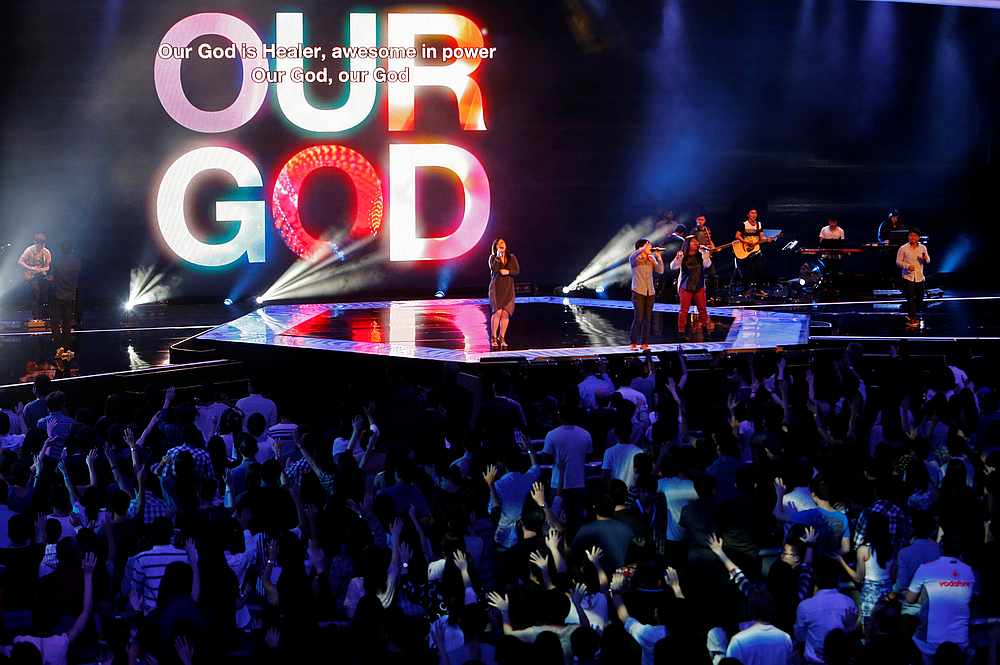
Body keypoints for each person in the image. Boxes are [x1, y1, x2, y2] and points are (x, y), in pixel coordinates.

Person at [905, 534, 975, 659]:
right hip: (960, 642)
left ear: (941, 547)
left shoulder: (925, 568)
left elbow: (909, 599)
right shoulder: (969, 571)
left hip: (930, 643)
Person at [793, 559, 858, 664]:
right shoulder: (848, 603)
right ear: (838, 578)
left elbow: (800, 637)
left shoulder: (805, 606)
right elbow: (851, 636)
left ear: (815, 579)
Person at [670, 236, 715, 337]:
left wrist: (705, 253)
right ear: (688, 244)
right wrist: (678, 259)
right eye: (693, 242)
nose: (696, 243)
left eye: (696, 241)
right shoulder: (682, 255)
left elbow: (707, 265)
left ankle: (705, 330)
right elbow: (673, 267)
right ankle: (681, 332)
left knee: (702, 309)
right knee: (683, 310)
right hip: (685, 286)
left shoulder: (701, 254)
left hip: (699, 286)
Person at [628, 239, 664, 350]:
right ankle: (633, 343)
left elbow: (660, 270)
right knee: (638, 318)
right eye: (649, 246)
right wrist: (643, 249)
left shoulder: (651, 258)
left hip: (650, 292)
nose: (651, 248)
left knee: (647, 319)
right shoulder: (635, 259)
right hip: (638, 291)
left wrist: (658, 257)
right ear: (641, 247)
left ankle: (645, 343)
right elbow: (632, 257)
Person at [488, 238, 520, 349]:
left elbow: (517, 271)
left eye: (503, 243)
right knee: (498, 312)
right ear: (496, 247)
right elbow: (493, 268)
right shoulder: (492, 258)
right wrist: (498, 257)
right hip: (496, 288)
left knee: (506, 313)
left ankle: (502, 337)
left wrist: (508, 272)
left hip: (508, 288)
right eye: (499, 243)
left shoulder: (512, 257)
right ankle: (493, 337)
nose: (502, 244)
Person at [734, 208, 774, 295]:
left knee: (760, 270)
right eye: (752, 213)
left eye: (755, 213)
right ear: (748, 215)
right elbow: (737, 236)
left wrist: (767, 239)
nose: (754, 215)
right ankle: (746, 289)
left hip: (756, 250)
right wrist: (746, 242)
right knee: (748, 271)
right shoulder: (744, 224)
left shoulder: (759, 224)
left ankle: (759, 290)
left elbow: (762, 237)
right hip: (746, 250)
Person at [49, 241, 81, 348]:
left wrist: (47, 277)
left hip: (58, 295)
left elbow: (52, 277)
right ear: (71, 249)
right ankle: (66, 346)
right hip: (71, 295)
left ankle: (58, 345)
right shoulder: (77, 261)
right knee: (67, 323)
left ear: (61, 249)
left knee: (55, 321)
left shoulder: (57, 261)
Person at [896, 229, 930, 328]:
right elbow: (898, 262)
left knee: (920, 298)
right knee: (910, 298)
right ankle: (912, 318)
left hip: (919, 277)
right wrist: (907, 266)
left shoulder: (923, 247)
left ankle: (913, 314)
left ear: (918, 237)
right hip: (908, 277)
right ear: (908, 237)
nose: (913, 237)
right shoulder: (903, 248)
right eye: (911, 235)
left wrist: (925, 259)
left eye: (915, 236)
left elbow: (928, 260)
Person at [17, 232, 52, 322]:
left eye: (43, 242)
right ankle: (36, 317)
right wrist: (31, 268)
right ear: (35, 242)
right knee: (36, 293)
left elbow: (48, 266)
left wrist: (41, 270)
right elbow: (20, 262)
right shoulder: (29, 250)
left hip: (41, 275)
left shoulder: (46, 252)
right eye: (39, 242)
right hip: (31, 276)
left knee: (45, 294)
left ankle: (44, 315)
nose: (41, 245)